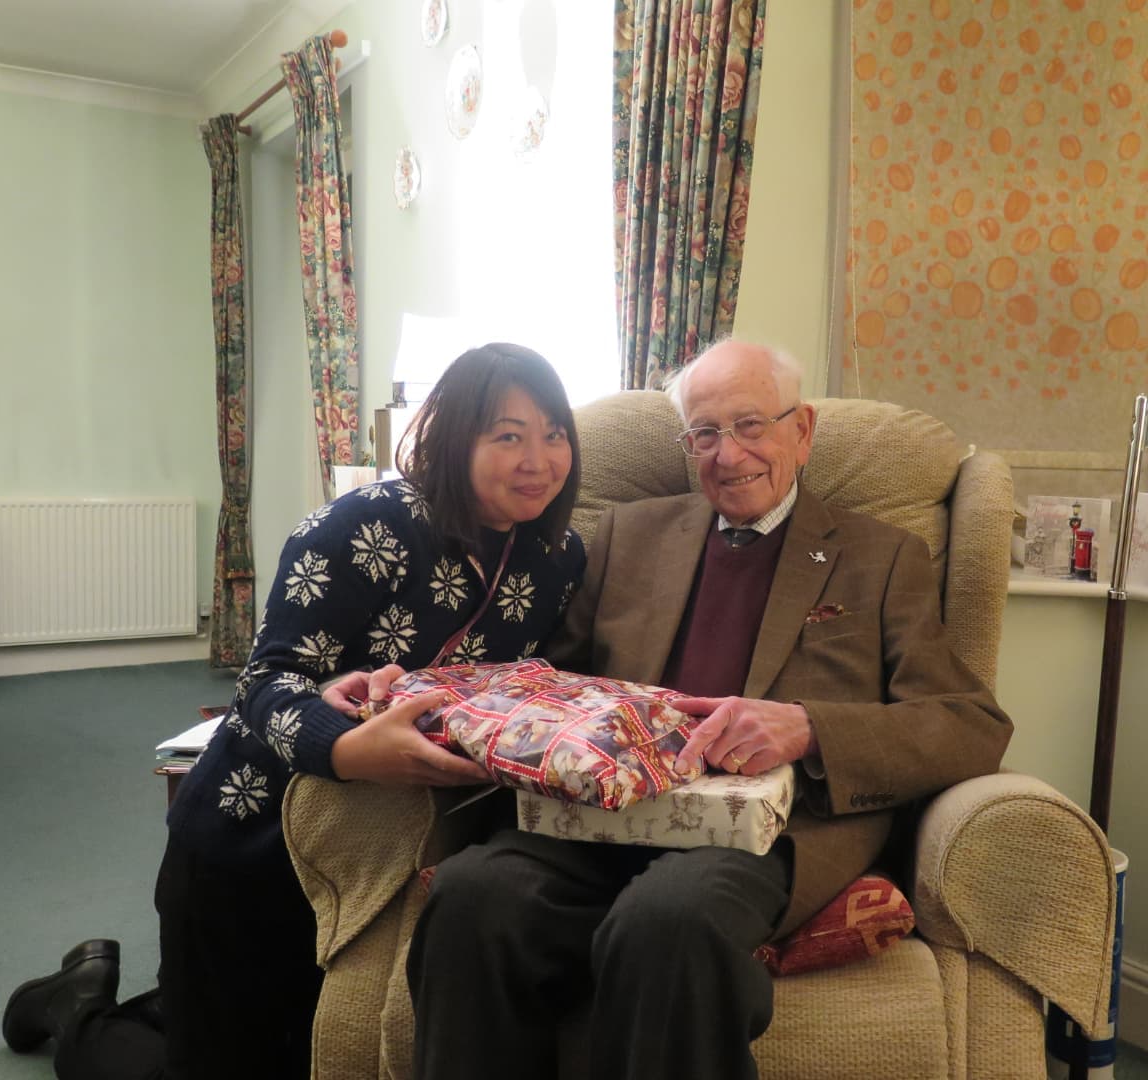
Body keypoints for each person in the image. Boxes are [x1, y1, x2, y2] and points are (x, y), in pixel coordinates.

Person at [402, 340, 1014, 1080]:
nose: (729, 455)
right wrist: (424, 695)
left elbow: (970, 723)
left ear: (803, 430)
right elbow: (553, 681)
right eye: (705, 434)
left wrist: (810, 728)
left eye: (752, 426)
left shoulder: (882, 556)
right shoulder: (629, 534)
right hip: (605, 817)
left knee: (669, 922)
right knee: (472, 899)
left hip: (761, 834)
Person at [1, 343, 586, 1080]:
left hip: (376, 863)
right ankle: (76, 1007)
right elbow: (263, 684)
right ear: (452, 435)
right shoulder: (364, 526)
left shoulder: (558, 557)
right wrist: (345, 750)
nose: (538, 458)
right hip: (250, 840)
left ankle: (157, 1004)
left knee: (284, 1045)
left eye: (553, 433)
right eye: (508, 435)